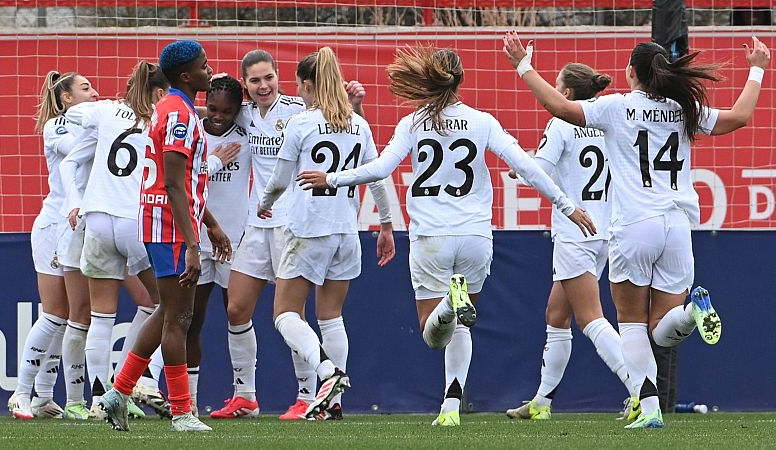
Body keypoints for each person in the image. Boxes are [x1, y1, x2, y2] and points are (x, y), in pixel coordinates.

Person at [298, 45, 594, 426]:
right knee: (459, 326)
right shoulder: (481, 120)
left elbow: (379, 168)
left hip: (432, 239)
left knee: (432, 333)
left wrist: (332, 178)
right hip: (475, 238)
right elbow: (527, 166)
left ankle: (449, 316)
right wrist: (568, 206)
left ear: (428, 78)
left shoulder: (413, 123)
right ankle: (451, 406)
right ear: (460, 81)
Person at [503, 31, 770, 428]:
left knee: (630, 324)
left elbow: (559, 105)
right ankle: (691, 317)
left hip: (633, 225)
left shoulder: (617, 107)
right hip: (678, 226)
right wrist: (757, 71)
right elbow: (739, 118)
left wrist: (522, 65)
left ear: (630, 72)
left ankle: (649, 410)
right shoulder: (684, 108)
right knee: (662, 329)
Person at [210, 49, 368, 421]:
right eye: (255, 81)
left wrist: (355, 105)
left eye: (269, 78)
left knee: (291, 311)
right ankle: (245, 395)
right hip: (257, 222)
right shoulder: (243, 115)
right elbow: (210, 116)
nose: (263, 86)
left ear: (280, 78)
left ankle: (307, 395)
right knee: (236, 307)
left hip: (293, 223)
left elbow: (346, 133)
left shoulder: (299, 109)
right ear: (245, 85)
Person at [98, 40, 232, 433]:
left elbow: (186, 183)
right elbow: (174, 185)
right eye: (204, 66)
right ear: (187, 76)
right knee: (180, 318)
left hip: (169, 223)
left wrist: (210, 223)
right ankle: (182, 413)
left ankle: (118, 392)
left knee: (166, 313)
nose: (211, 71)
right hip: (169, 227)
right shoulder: (179, 115)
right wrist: (193, 245)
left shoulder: (177, 109)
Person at [257, 46, 394, 420]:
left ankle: (327, 373)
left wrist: (263, 203)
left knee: (285, 313)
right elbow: (377, 176)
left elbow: (280, 180)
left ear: (306, 85)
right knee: (331, 315)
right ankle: (332, 406)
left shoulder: (301, 123)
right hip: (346, 230)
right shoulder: (358, 123)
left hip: (309, 228)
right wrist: (386, 224)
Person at [503, 63, 638, 421]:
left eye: (557, 85)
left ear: (564, 95)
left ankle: (640, 388)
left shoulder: (561, 123)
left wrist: (521, 167)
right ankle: (542, 403)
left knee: (590, 318)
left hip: (574, 231)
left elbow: (539, 170)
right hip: (604, 231)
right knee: (556, 315)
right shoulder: (608, 124)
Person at [60, 61, 171, 419]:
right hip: (133, 221)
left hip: (96, 220)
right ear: (158, 92)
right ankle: (137, 380)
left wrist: (74, 201)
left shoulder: (105, 111)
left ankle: (97, 400)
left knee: (101, 316)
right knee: (165, 306)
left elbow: (75, 112)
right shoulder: (163, 119)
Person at [8, 71, 98, 419]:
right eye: (86, 88)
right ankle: (20, 392)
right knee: (56, 313)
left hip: (80, 227)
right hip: (55, 225)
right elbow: (77, 151)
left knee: (72, 316)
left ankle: (44, 397)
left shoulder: (95, 125)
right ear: (66, 98)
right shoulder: (57, 127)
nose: (95, 93)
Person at [187, 75, 249, 414]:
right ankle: (190, 401)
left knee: (237, 315)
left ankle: (245, 394)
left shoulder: (248, 130)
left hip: (236, 240)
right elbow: (186, 181)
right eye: (212, 108)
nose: (219, 116)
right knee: (190, 320)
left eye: (227, 111)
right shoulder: (193, 128)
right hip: (198, 239)